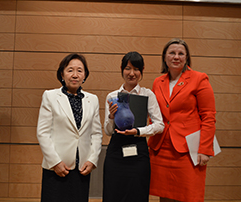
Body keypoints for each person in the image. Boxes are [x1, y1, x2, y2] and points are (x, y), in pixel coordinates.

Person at [148, 38, 216, 202]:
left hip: (188, 150)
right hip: (161, 148)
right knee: (164, 196)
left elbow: (209, 116)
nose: (176, 57)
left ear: (187, 58)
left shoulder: (200, 79)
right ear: (165, 57)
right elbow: (154, 114)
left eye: (180, 53)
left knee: (188, 196)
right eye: (172, 53)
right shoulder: (158, 82)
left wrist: (205, 149)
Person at [36, 53, 102, 202]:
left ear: (85, 75)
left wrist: (92, 160)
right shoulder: (50, 96)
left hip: (82, 168)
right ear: (62, 74)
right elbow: (43, 133)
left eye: (80, 70)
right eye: (70, 70)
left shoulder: (93, 99)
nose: (75, 75)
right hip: (57, 167)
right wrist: (55, 162)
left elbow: (96, 134)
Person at [103, 51, 164, 202]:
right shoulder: (112, 96)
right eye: (128, 68)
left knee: (137, 194)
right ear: (122, 69)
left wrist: (138, 131)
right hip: (116, 153)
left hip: (139, 152)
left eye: (136, 69)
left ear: (142, 71)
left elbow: (160, 125)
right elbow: (108, 131)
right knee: (113, 194)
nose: (132, 73)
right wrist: (111, 117)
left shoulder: (148, 95)